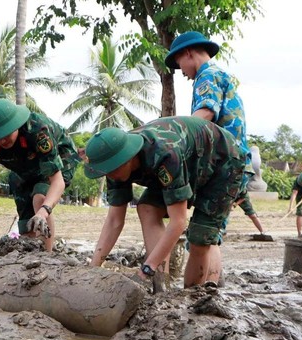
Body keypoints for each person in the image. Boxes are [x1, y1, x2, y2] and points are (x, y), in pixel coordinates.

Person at [85, 116, 245, 288]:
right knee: (147, 208)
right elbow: (114, 220)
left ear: (128, 157)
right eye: (106, 171)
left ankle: (192, 297)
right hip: (186, 161)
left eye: (113, 169)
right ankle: (162, 285)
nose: (111, 176)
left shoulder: (165, 154)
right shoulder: (113, 166)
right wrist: (94, 267)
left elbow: (178, 222)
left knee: (200, 236)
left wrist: (147, 269)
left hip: (222, 161)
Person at [166, 31, 256, 234]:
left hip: (224, 164)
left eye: (179, 64)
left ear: (188, 53)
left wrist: (174, 138)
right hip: (233, 163)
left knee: (202, 238)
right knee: (209, 235)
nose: (182, 72)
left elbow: (206, 112)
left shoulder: (207, 76)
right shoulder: (219, 74)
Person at [0, 100, 79, 251]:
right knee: (27, 228)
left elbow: (57, 182)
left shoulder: (38, 131)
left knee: (40, 198)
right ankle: (30, 255)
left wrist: (42, 212)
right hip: (23, 166)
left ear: (16, 125)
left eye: (6, 134)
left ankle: (47, 256)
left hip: (60, 159)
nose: (2, 140)